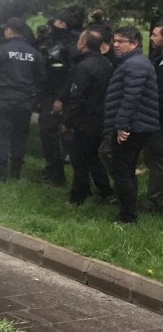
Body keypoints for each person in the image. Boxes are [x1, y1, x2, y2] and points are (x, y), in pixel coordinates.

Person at [104, 26, 160, 224]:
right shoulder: (135, 62)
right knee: (126, 170)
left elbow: (131, 97)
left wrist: (122, 126)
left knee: (122, 171)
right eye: (115, 40)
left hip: (132, 126)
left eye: (121, 41)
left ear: (135, 43)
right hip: (136, 124)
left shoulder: (135, 64)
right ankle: (128, 211)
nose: (116, 45)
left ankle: (127, 217)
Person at [0, 17, 46, 182]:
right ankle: (16, 172)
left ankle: (1, 172)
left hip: (3, 99)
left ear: (9, 31)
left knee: (1, 135)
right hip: (24, 101)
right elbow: (42, 78)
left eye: (6, 29)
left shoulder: (0, 51)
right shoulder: (34, 53)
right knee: (20, 136)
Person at [62, 29, 114, 206]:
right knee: (92, 156)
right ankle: (106, 190)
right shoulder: (107, 64)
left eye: (79, 40)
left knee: (79, 160)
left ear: (84, 43)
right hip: (101, 118)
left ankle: (78, 197)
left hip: (85, 120)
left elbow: (77, 97)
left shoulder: (84, 66)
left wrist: (68, 122)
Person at [37, 11, 79, 186]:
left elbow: (71, 75)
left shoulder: (71, 46)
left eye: (59, 22)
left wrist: (61, 98)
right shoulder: (52, 41)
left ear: (64, 25)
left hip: (59, 96)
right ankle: (52, 168)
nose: (54, 24)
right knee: (46, 132)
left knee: (52, 132)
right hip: (47, 93)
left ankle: (58, 175)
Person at [144, 22, 163, 214]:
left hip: (159, 120)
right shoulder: (157, 58)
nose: (151, 37)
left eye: (156, 35)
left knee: (156, 160)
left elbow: (158, 93)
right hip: (155, 118)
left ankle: (154, 202)